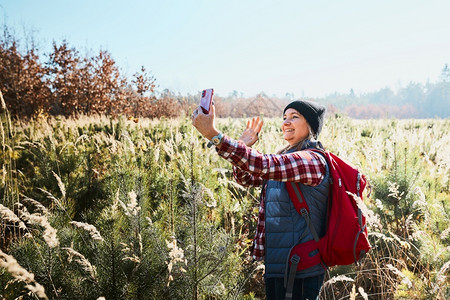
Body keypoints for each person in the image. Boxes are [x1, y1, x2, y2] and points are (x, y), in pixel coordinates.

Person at [192, 99, 329, 300]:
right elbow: (246, 178)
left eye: (294, 117)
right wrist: (242, 146)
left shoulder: (311, 160)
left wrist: (214, 135)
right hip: (280, 264)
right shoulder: (287, 158)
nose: (286, 122)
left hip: (300, 268)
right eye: (284, 118)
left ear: (311, 127)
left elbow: (263, 165)